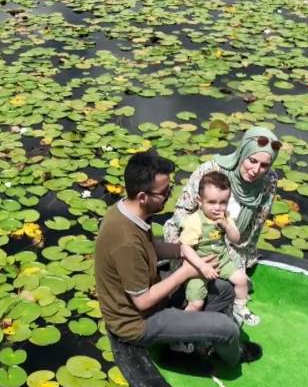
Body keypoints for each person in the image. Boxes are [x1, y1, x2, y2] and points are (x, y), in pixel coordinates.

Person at [94, 150, 261, 367]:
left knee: (226, 290)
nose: (169, 195)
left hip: (149, 288)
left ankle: (187, 343)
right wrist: (186, 272)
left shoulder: (126, 210)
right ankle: (232, 358)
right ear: (143, 197)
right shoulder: (126, 241)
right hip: (136, 322)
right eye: (164, 192)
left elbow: (150, 247)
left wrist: (182, 250)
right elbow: (142, 301)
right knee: (227, 329)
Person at [163, 126, 281, 274]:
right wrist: (196, 249)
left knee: (234, 285)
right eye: (252, 161)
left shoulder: (268, 180)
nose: (256, 170)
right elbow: (182, 212)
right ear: (242, 153)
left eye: (264, 165)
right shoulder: (211, 170)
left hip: (234, 244)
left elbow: (256, 226)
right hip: (196, 240)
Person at [173, 170, 260, 326]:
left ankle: (239, 308)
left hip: (221, 259)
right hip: (197, 266)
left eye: (223, 202)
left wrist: (227, 226)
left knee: (242, 280)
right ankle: (180, 330)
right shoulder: (195, 221)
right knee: (196, 303)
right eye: (212, 202)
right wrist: (202, 266)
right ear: (200, 201)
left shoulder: (225, 217)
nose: (218, 208)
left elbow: (236, 239)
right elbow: (185, 248)